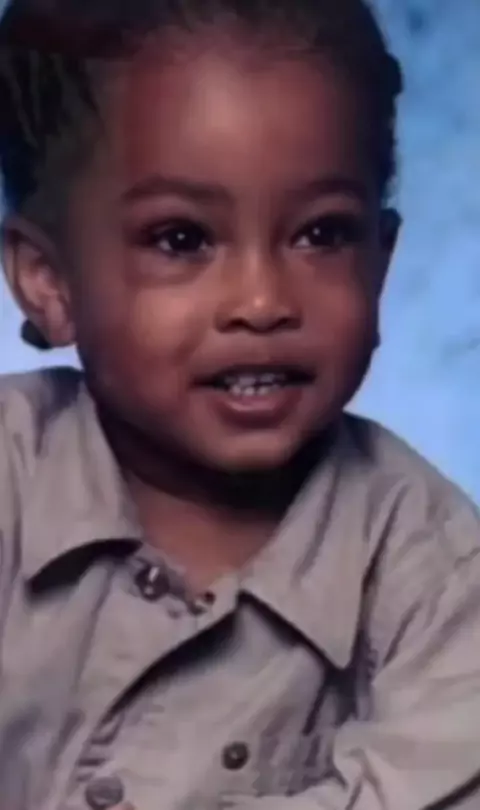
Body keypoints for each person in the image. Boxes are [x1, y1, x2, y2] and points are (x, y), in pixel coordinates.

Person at [0, 0, 480, 808]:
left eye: (322, 234)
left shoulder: (438, 579)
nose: (262, 302)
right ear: (50, 282)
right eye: (182, 239)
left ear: (381, 261)